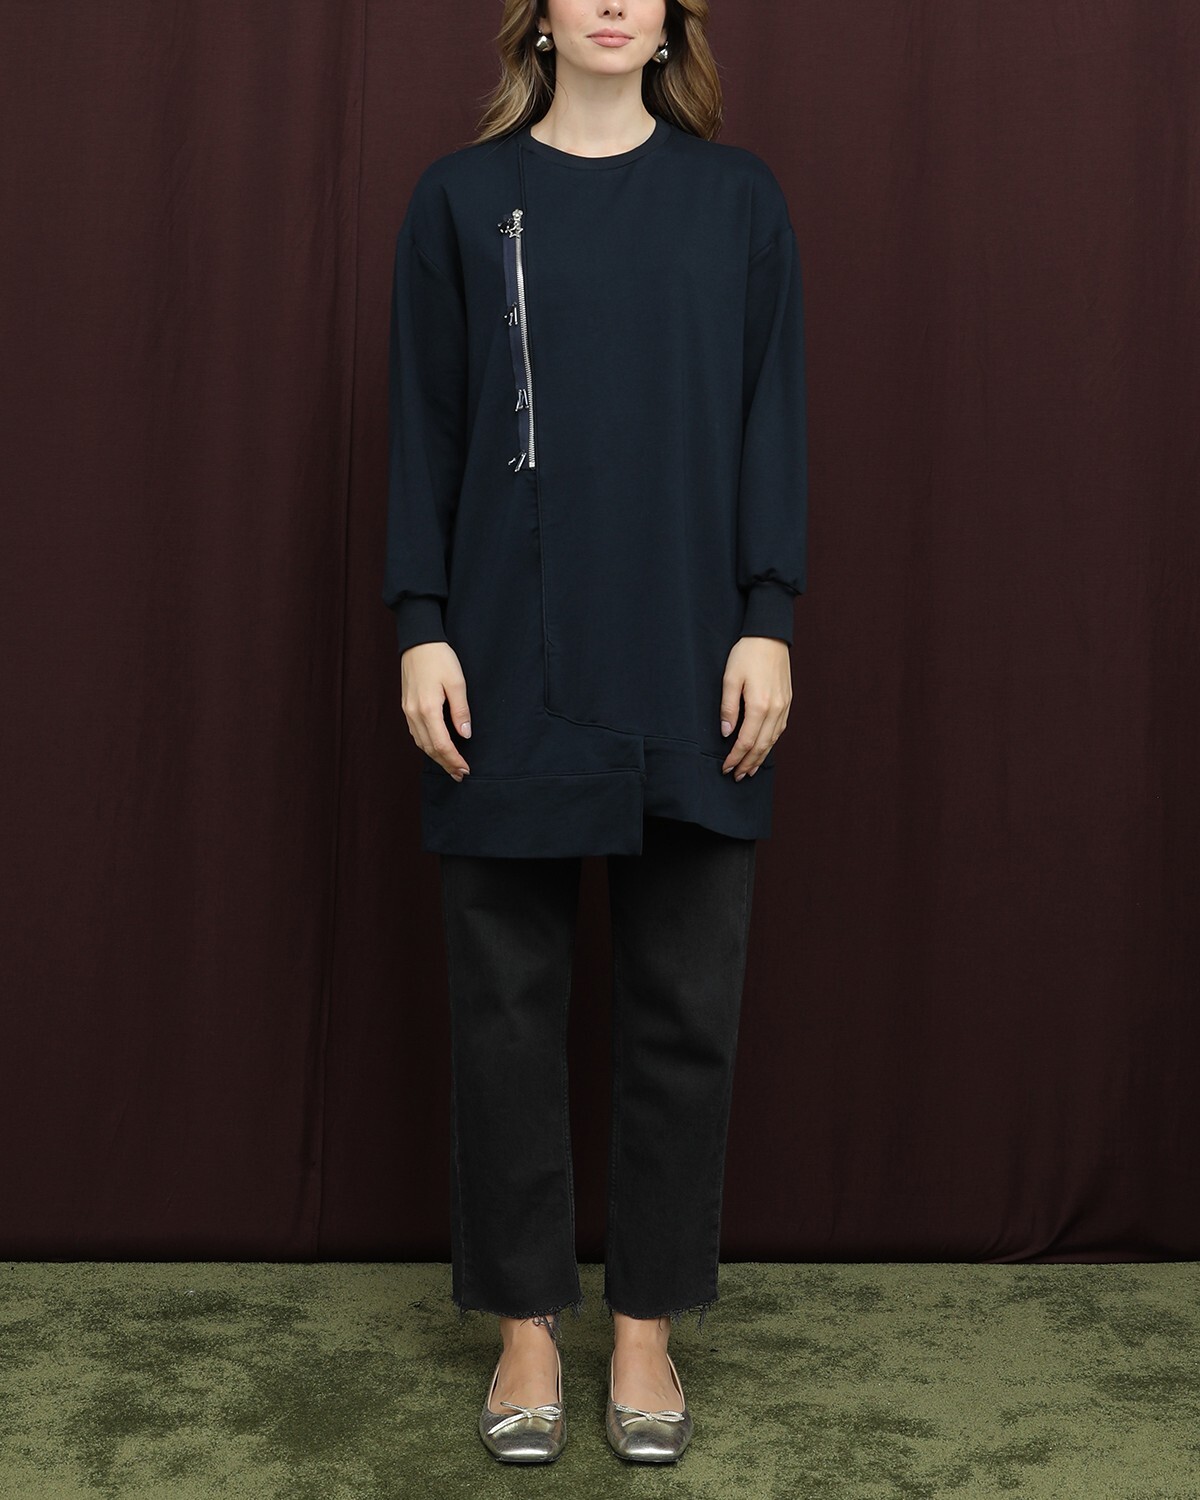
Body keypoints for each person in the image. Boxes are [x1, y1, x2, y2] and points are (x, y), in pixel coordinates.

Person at [382, 0, 807, 1466]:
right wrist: (421, 622)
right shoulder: (458, 200)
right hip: (503, 648)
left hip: (695, 647)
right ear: (541, 17)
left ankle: (643, 1334)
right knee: (505, 1009)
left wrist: (768, 616)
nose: (614, 1)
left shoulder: (739, 200)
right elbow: (424, 421)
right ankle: (522, 1328)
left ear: (673, 17)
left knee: (684, 1008)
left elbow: (769, 414)